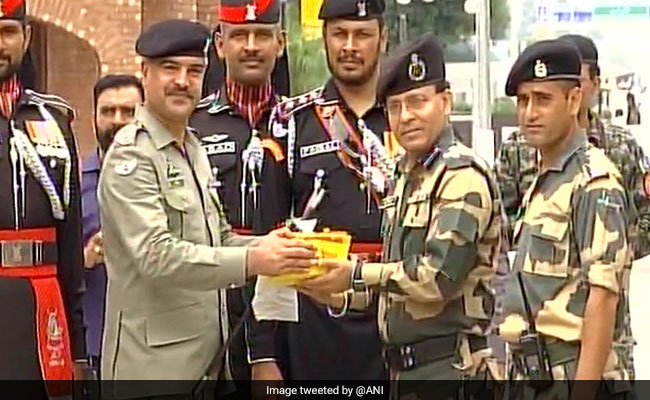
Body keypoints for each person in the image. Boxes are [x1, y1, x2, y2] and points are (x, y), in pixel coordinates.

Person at [98, 19, 316, 399]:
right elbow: (157, 256)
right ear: (145, 73)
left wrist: (268, 245)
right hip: (153, 373)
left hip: (207, 366)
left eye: (194, 71)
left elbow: (218, 236)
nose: (182, 81)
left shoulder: (192, 147)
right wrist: (255, 262)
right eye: (170, 69)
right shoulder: (131, 155)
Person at [298, 33, 501, 399]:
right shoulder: (406, 176)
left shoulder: (461, 176)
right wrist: (339, 294)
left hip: (451, 373)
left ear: (446, 102)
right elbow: (397, 286)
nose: (405, 117)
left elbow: (436, 280)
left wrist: (356, 273)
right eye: (394, 107)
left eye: (417, 102)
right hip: (406, 374)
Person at [253, 0, 390, 382]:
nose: (349, 45)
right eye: (339, 34)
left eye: (362, 34)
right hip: (315, 321)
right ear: (324, 39)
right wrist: (263, 354)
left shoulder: (407, 116)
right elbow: (271, 237)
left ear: (383, 38)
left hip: (395, 311)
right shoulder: (291, 123)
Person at [494, 33, 643, 379]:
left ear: (574, 100)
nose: (530, 113)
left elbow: (603, 299)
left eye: (543, 100)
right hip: (537, 371)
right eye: (523, 100)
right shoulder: (544, 178)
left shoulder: (594, 181)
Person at [189, 0, 290, 394]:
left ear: (280, 43)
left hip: (287, 309)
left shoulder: (300, 122)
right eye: (239, 36)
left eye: (262, 35)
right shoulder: (192, 124)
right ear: (219, 43)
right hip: (212, 302)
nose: (251, 46)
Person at [0, 0, 88, 396]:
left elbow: (70, 243)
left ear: (27, 37)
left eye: (7, 32)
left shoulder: (54, 120)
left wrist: (80, 351)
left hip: (43, 300)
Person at [81, 74, 144, 375]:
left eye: (129, 111)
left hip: (157, 343)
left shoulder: (169, 176)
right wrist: (86, 257)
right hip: (96, 343)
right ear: (93, 116)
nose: (118, 120)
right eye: (108, 111)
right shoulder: (72, 182)